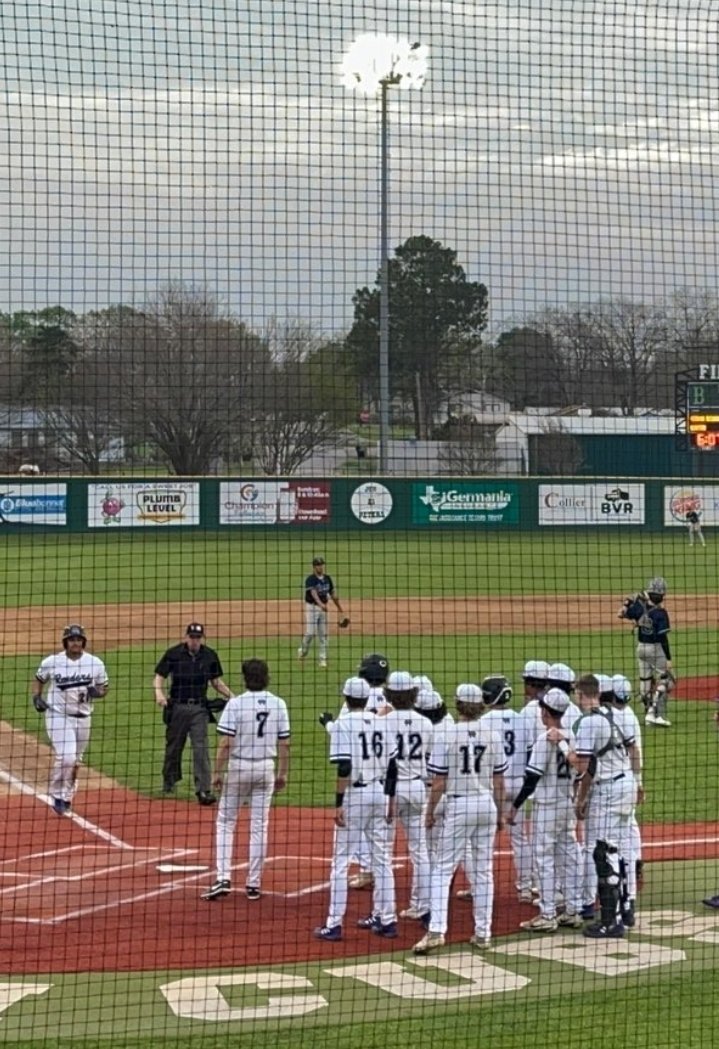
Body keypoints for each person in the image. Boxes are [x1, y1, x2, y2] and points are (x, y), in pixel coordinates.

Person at [412, 683, 506, 956]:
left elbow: (439, 782)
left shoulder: (447, 735)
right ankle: (483, 933)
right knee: (483, 871)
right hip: (486, 804)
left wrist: (430, 812)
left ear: (458, 705)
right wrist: (500, 813)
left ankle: (436, 931)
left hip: (460, 804)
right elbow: (499, 781)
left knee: (442, 870)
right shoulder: (492, 734)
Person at [313, 677, 398, 942]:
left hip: (356, 796)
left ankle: (334, 924)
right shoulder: (382, 722)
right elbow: (393, 766)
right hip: (380, 793)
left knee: (340, 862)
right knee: (382, 860)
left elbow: (344, 767)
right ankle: (388, 920)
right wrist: (390, 800)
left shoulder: (343, 724)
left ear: (346, 698)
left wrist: (339, 803)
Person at [201, 659, 290, 901]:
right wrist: (283, 773)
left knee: (225, 822)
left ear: (245, 678)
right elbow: (285, 743)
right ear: (266, 677)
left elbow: (226, 742)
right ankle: (253, 884)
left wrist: (216, 772)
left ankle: (223, 878)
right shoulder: (278, 703)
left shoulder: (236, 704)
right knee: (259, 825)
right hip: (266, 768)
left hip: (239, 768)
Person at [508, 688, 584, 932]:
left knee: (544, 859)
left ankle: (548, 913)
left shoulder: (544, 740)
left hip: (547, 807)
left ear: (546, 712)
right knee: (569, 856)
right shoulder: (572, 736)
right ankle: (573, 910)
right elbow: (579, 773)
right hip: (567, 805)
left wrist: (515, 807)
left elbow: (532, 778)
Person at [571, 673, 637, 938]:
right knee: (618, 850)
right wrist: (637, 781)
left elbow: (584, 767)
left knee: (603, 853)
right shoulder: (620, 715)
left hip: (608, 790)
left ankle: (611, 921)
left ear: (580, 694)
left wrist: (581, 799)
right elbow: (634, 751)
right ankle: (626, 909)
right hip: (627, 783)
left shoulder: (589, 723)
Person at [31, 624, 109, 815]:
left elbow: (104, 687)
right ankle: (57, 794)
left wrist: (98, 693)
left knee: (75, 761)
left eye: (78, 639)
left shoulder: (95, 663)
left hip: (83, 718)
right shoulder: (53, 661)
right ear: (65, 642)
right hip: (58, 715)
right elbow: (39, 679)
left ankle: (66, 795)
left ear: (83, 642)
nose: (75, 643)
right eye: (72, 640)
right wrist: (37, 697)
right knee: (67, 757)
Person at [153, 623, 232, 804]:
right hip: (178, 707)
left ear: (201, 638)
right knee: (174, 747)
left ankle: (203, 790)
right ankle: (169, 781)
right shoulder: (174, 654)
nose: (195, 641)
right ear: (186, 637)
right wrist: (159, 693)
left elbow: (215, 681)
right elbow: (159, 676)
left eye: (198, 638)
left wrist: (232, 696)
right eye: (192, 637)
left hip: (199, 709)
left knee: (201, 748)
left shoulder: (209, 655)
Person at [381, 671, 433, 922]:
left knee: (383, 852)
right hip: (417, 788)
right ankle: (422, 905)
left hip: (390, 791)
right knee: (420, 850)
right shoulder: (426, 723)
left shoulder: (383, 722)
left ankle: (384, 911)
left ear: (389, 694)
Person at [479, 675, 534, 903]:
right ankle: (526, 888)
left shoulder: (484, 722)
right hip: (519, 784)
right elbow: (530, 754)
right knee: (520, 838)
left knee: (483, 840)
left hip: (495, 785)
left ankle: (479, 888)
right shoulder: (522, 719)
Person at [618, 576, 673, 727]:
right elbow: (662, 638)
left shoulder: (639, 608)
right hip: (655, 649)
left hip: (641, 648)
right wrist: (668, 658)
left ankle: (648, 713)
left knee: (645, 681)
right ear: (663, 595)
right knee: (667, 680)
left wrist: (628, 602)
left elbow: (621, 613)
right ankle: (653, 714)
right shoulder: (661, 613)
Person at [297, 556, 347, 669]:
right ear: (314, 567)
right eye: (318, 565)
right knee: (310, 633)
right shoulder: (310, 579)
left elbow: (333, 594)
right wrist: (320, 604)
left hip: (323, 609)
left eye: (322, 565)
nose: (321, 567)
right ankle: (303, 651)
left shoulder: (327, 578)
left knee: (323, 635)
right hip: (312, 608)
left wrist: (340, 608)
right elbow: (313, 593)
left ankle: (322, 659)